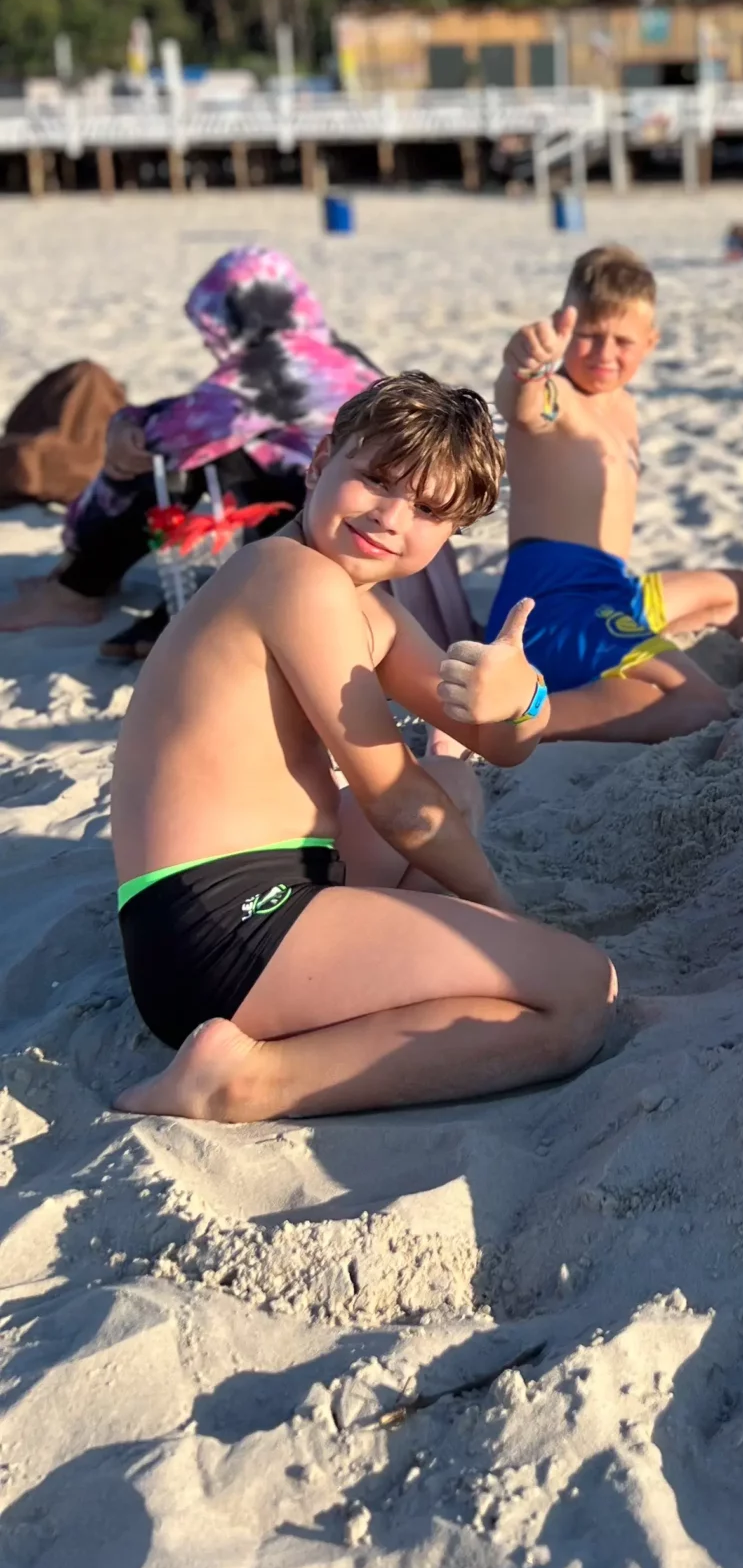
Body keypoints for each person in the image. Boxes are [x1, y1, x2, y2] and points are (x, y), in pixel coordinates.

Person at [112, 372, 615, 1123]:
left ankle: (410, 966)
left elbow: (497, 746)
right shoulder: (295, 580)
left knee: (458, 782)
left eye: (428, 509)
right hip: (223, 932)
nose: (390, 515)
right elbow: (397, 803)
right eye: (377, 480)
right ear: (320, 462)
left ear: (451, 533)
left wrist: (521, 699)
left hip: (221, 909)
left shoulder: (363, 605)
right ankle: (243, 1079)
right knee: (579, 994)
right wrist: (505, 913)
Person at [0, 247, 382, 656]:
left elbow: (166, 436)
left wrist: (121, 434)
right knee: (231, 442)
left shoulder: (271, 366)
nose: (206, 340)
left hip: (319, 541)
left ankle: (75, 591)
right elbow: (199, 409)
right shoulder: (339, 354)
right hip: (370, 535)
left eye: (213, 325)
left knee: (172, 458)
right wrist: (133, 418)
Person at [486, 245, 743, 741]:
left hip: (614, 589)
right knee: (702, 704)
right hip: (554, 601)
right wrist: (523, 368)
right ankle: (509, 724)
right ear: (565, 328)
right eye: (589, 336)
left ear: (650, 342)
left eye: (622, 341)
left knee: (740, 594)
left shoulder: (624, 406)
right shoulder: (557, 397)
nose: (604, 354)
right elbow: (521, 404)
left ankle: (620, 657)